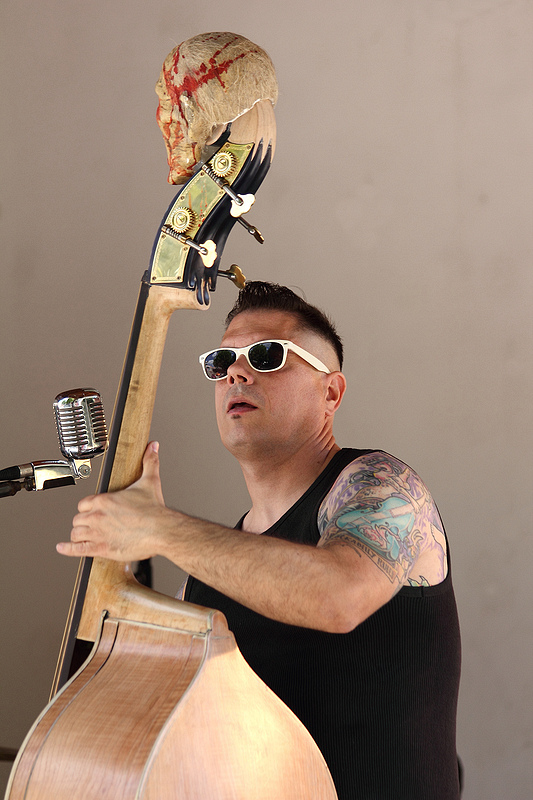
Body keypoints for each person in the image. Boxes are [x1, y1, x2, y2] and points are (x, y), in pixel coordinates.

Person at [57, 281, 462, 799]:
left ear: (331, 393)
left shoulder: (381, 484)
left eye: (267, 356)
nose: (236, 372)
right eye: (222, 360)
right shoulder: (204, 577)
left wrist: (157, 527)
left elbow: (338, 597)